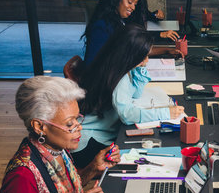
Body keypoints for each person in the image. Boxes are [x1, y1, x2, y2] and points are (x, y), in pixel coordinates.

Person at [73, 24, 185, 168]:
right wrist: (166, 112)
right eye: (143, 56)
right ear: (130, 55)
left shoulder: (118, 65)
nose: (147, 60)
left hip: (102, 133)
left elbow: (136, 94)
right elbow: (127, 115)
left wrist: (141, 67)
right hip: (89, 142)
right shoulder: (119, 78)